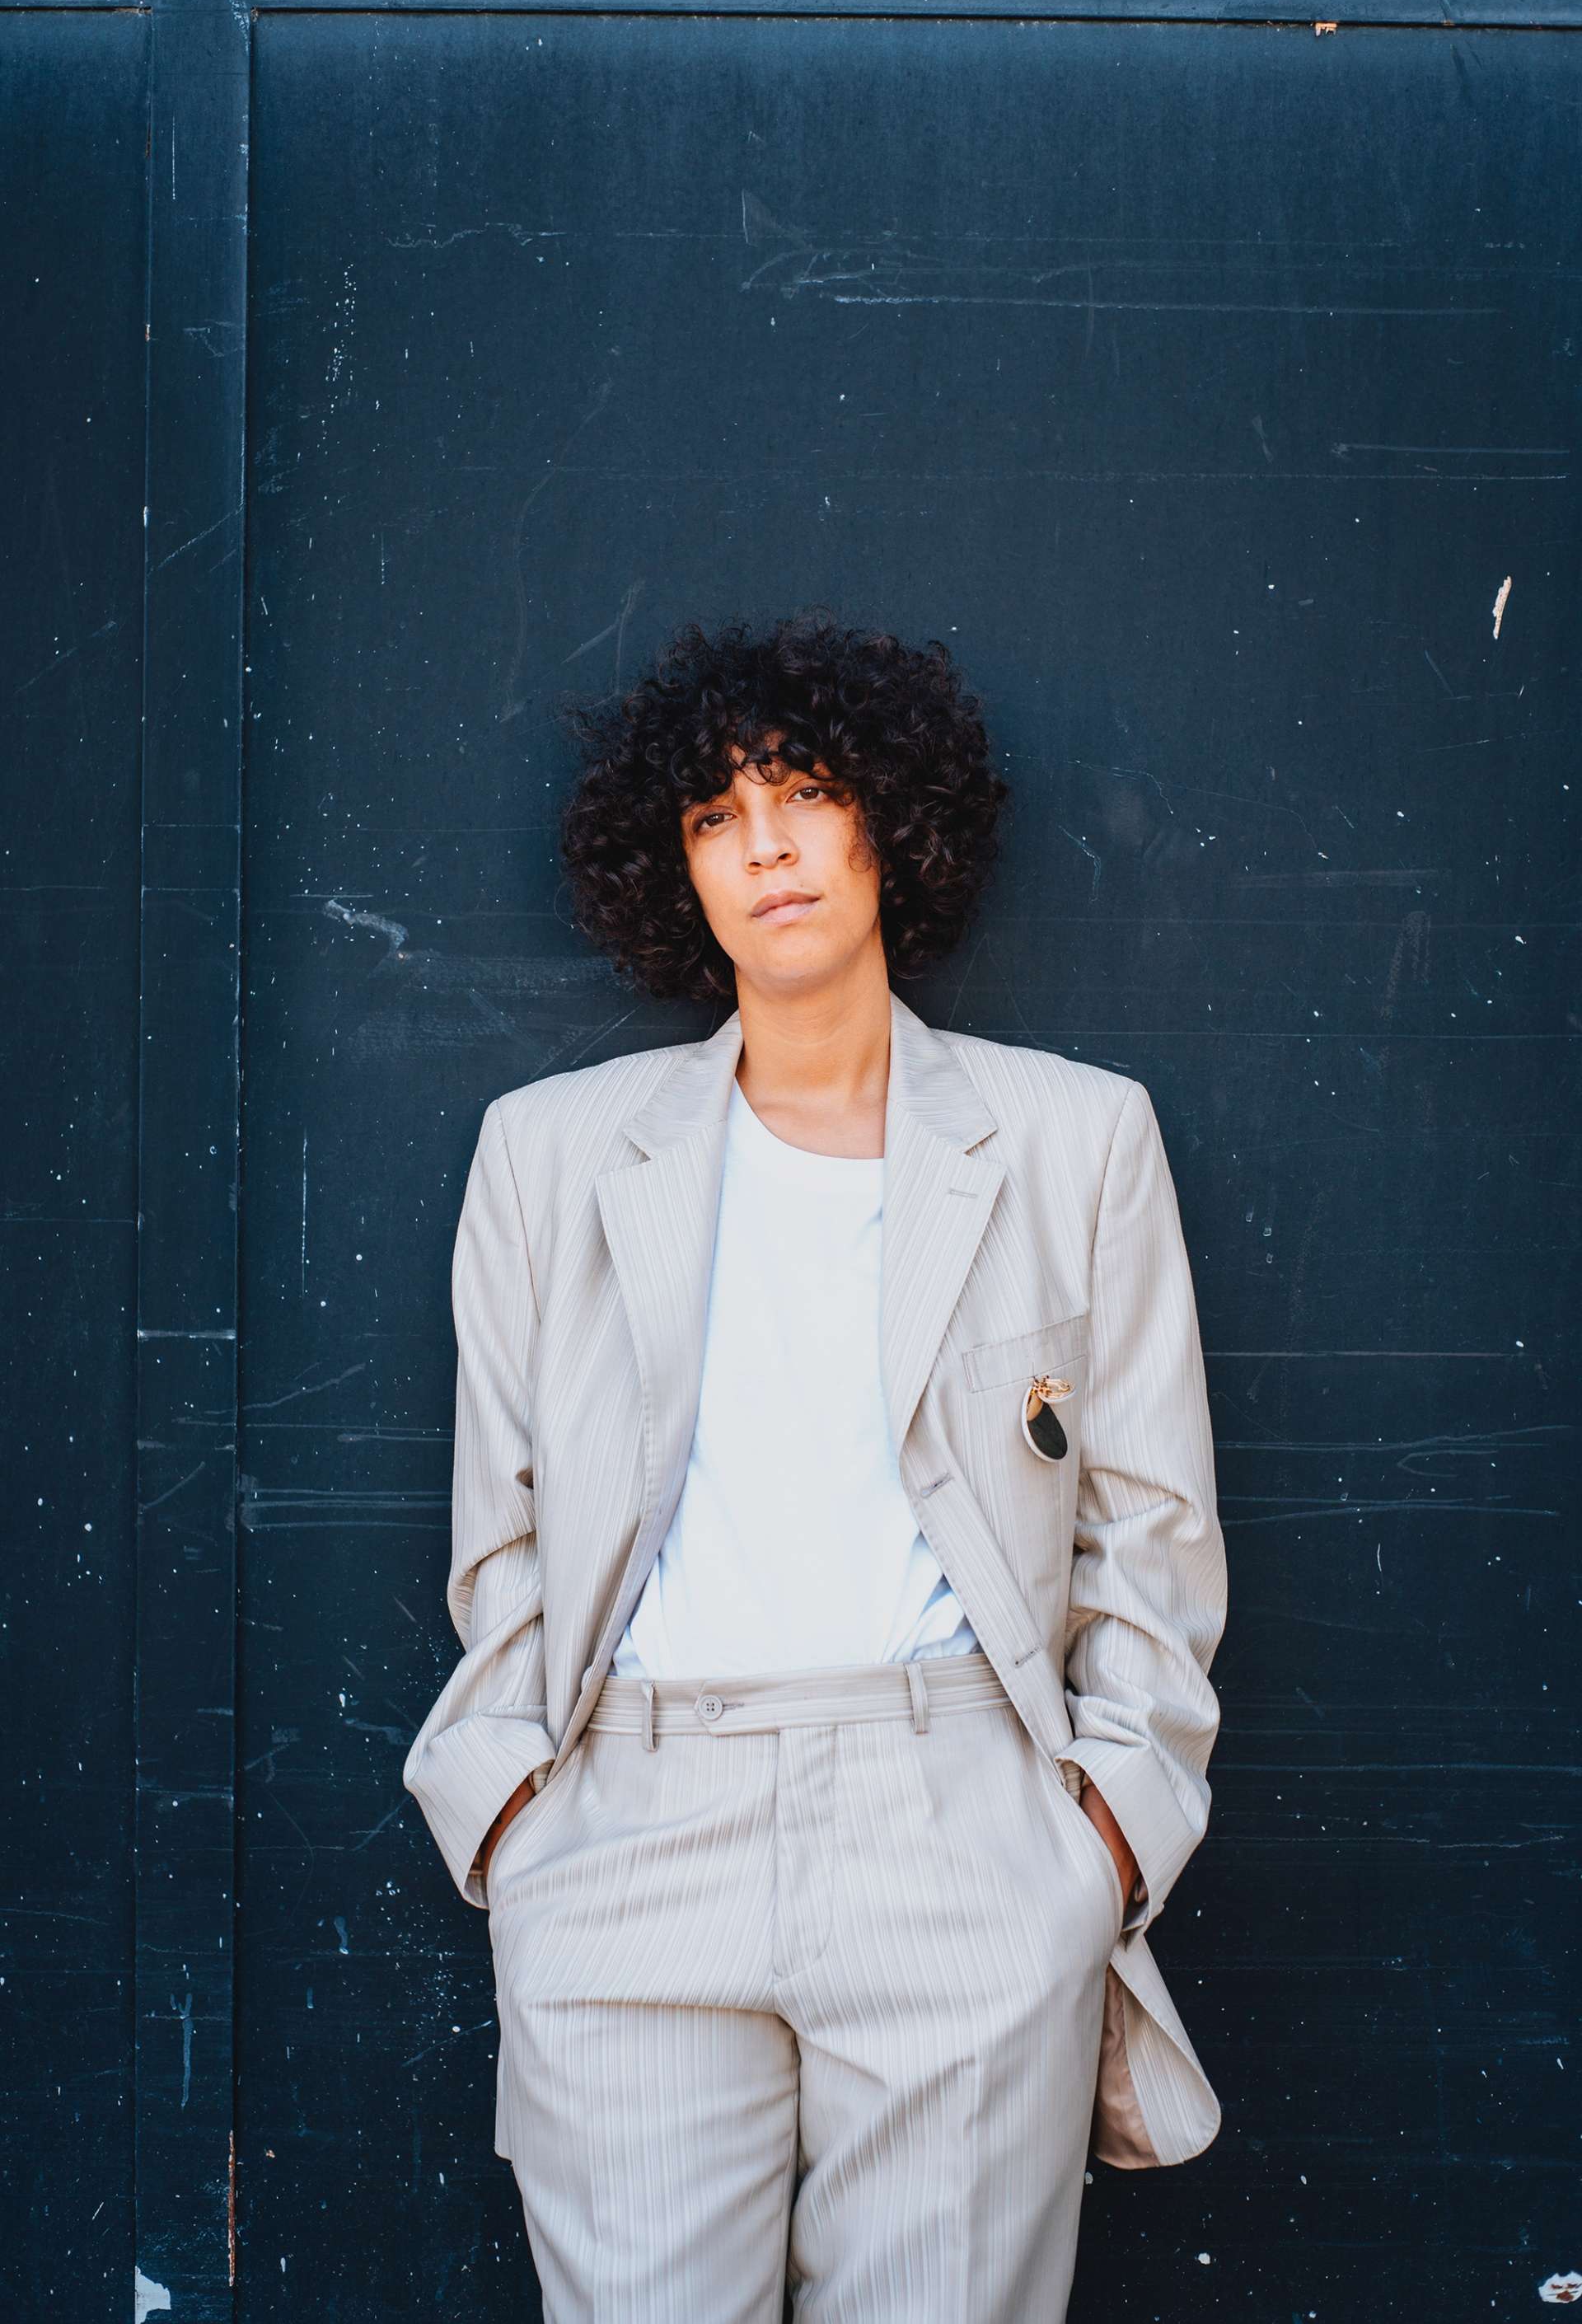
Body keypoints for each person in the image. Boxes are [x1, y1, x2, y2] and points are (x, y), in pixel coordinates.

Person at [402, 609, 1228, 2322]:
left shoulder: (1075, 1138)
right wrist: (515, 1820)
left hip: (961, 1835)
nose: (766, 845)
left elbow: (1150, 1529)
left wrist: (1099, 1843)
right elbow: (503, 1541)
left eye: (805, 793)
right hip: (627, 1840)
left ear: (890, 823)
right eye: (717, 815)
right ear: (676, 867)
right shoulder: (549, 1158)